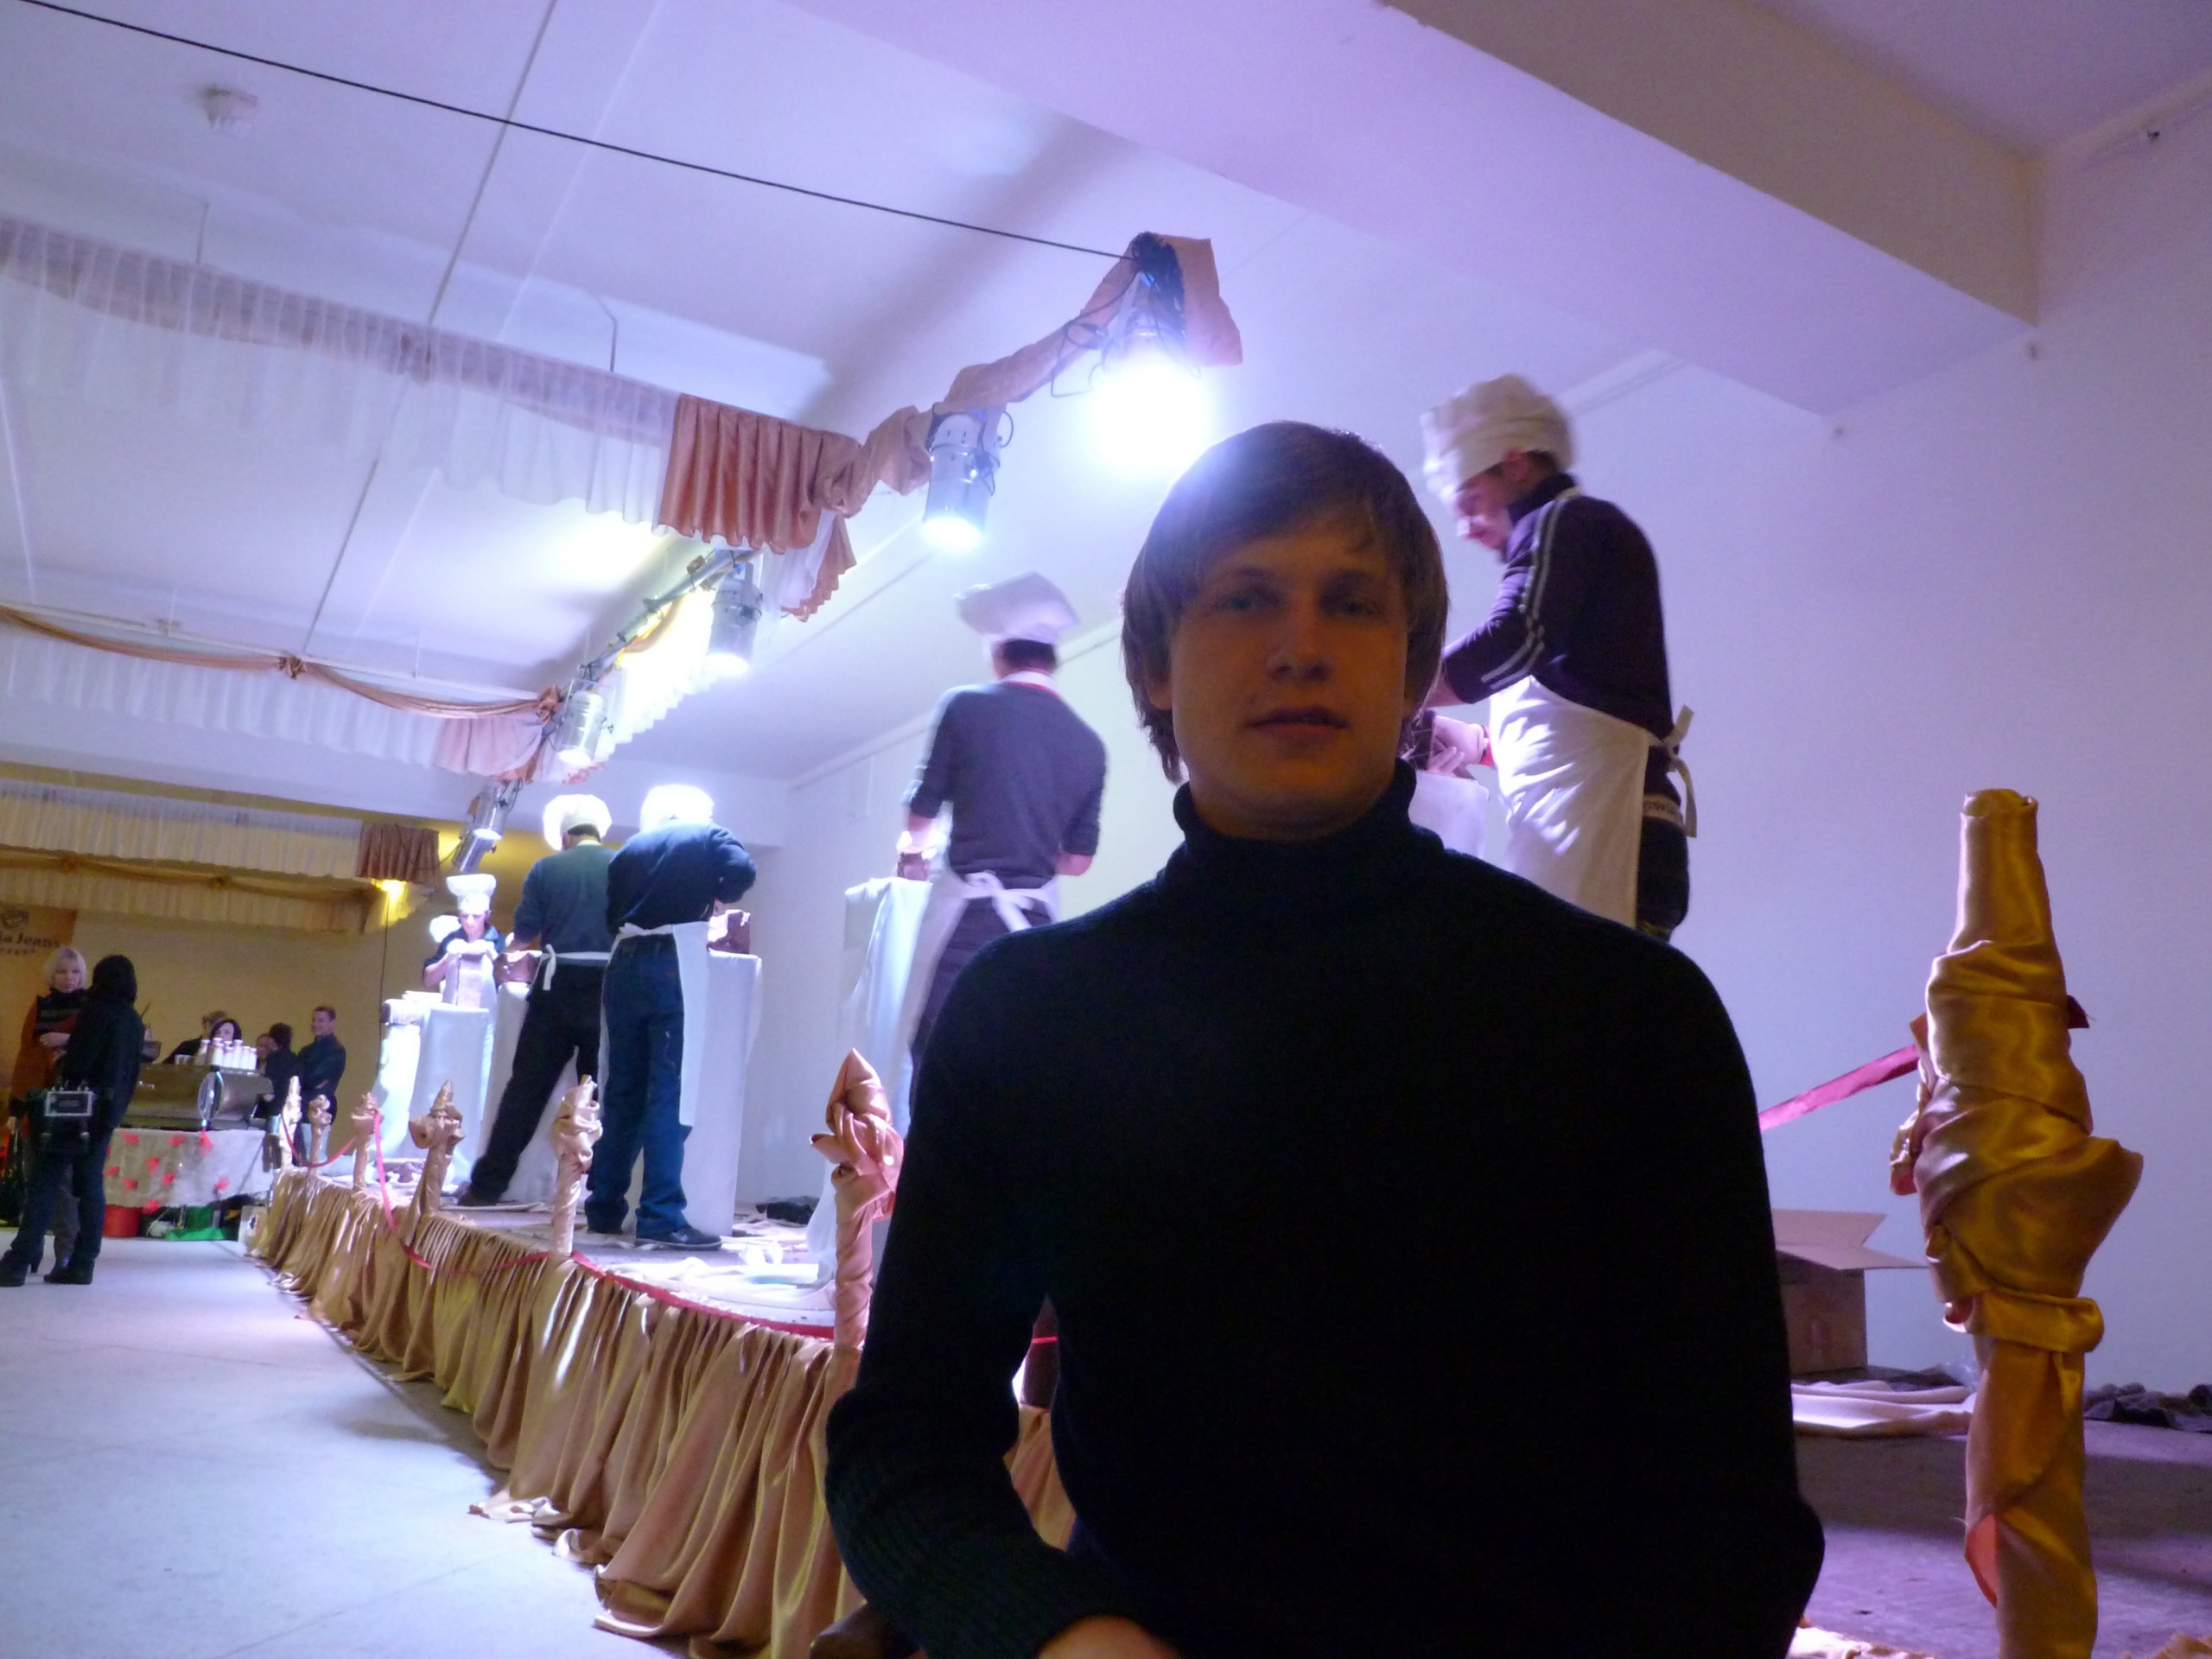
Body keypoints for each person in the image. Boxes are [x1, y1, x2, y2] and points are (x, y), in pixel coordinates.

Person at [826, 423, 1819, 1659]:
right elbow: (905, 1437)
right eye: (1246, 598)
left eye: (1351, 603)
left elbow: (1732, 1518)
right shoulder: (1031, 1017)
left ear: (1411, 671)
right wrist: (1059, 1639)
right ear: (1154, 667)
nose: (1300, 646)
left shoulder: (1628, 1014)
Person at [1421, 373, 1693, 940]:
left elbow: (1515, 637)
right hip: (1602, 822)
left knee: (1578, 987)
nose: (1466, 530)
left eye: (1470, 502)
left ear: (1515, 464)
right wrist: (1477, 745)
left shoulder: (1566, 522)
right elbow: (1581, 720)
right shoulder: (1578, 548)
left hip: (1609, 824)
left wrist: (1394, 689)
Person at [896, 571, 1108, 1069]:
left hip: (962, 928)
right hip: (1035, 933)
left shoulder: (966, 706)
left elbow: (920, 817)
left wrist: (917, 845)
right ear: (1051, 658)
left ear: (997, 651)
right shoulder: (1090, 744)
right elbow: (1078, 863)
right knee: (1014, 1064)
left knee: (938, 1058)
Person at [586, 784, 755, 1249]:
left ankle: (603, 1207)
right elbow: (742, 870)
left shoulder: (629, 848)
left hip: (623, 963)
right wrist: (719, 895)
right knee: (669, 1092)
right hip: (673, 960)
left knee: (621, 1090)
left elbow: (610, 914)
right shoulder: (708, 833)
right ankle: (661, 1216)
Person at [457, 794, 617, 1208]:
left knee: (526, 1091)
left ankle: (487, 1185)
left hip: (555, 986)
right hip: (607, 988)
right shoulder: (621, 864)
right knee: (600, 1096)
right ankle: (602, 1196)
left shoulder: (547, 867)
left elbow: (525, 932)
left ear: (565, 835)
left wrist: (506, 956)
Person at [1, 954, 145, 1287]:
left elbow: (79, 1064)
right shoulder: (132, 1019)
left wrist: (63, 1062)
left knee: (45, 1183)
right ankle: (83, 1263)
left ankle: (17, 1262)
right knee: (90, 1187)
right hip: (106, 1116)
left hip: (73, 1113)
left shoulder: (96, 1012)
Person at [7, 947, 88, 1262]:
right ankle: (31, 1251)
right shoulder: (40, 1007)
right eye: (62, 971)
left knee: (64, 1184)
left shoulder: (88, 1009)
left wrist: (67, 1040)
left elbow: (95, 1049)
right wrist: (17, 1106)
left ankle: (65, 1253)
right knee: (33, 1179)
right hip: (36, 1102)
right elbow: (26, 1058)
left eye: (75, 971)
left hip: (69, 1105)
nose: (69, 978)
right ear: (51, 976)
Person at [423, 878, 505, 1006]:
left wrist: (494, 958)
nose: (469, 922)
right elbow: (428, 981)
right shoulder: (450, 940)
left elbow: (510, 982)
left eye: (476, 916)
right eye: (464, 916)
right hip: (453, 1011)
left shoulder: (500, 942)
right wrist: (446, 960)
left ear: (487, 915)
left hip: (488, 1013)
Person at [296, 1005, 346, 1106]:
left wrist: (300, 1079)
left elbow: (314, 1078)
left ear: (332, 1023)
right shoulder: (306, 1050)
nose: (315, 1024)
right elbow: (294, 1075)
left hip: (319, 1106)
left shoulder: (336, 1050)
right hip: (300, 1103)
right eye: (313, 1020)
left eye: (321, 1020)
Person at [165, 1010, 237, 1064]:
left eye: (226, 1032)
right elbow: (167, 1067)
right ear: (207, 1026)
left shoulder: (232, 1052)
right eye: (218, 1030)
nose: (221, 1035)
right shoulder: (188, 1046)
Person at [258, 1023, 298, 1118]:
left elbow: (268, 1091)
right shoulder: (293, 1059)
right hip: (288, 1109)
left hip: (271, 1110)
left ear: (272, 1040)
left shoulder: (273, 1059)